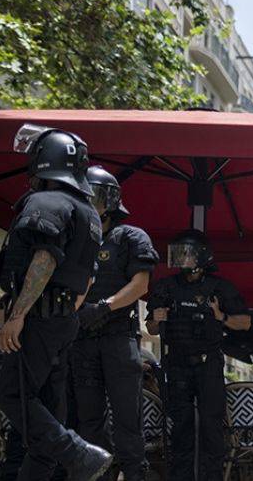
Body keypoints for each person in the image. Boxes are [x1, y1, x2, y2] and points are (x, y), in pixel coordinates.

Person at [0, 126, 113, 480]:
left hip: (38, 318)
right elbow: (86, 279)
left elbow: (44, 257)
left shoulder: (47, 201)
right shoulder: (89, 214)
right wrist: (60, 314)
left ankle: (78, 453)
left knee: (13, 398)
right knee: (45, 412)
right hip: (62, 321)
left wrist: (19, 314)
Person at [70, 165, 159, 481]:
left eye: (94, 195)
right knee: (89, 422)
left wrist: (103, 308)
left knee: (127, 423)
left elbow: (141, 284)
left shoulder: (130, 236)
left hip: (118, 338)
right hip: (83, 341)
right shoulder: (78, 239)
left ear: (109, 200)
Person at [147, 229, 251, 480]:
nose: (182, 259)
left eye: (188, 254)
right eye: (179, 254)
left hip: (208, 364)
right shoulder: (166, 287)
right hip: (177, 363)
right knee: (180, 428)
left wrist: (220, 317)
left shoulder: (219, 288)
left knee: (211, 428)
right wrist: (155, 319)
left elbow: (245, 322)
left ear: (202, 257)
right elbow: (150, 327)